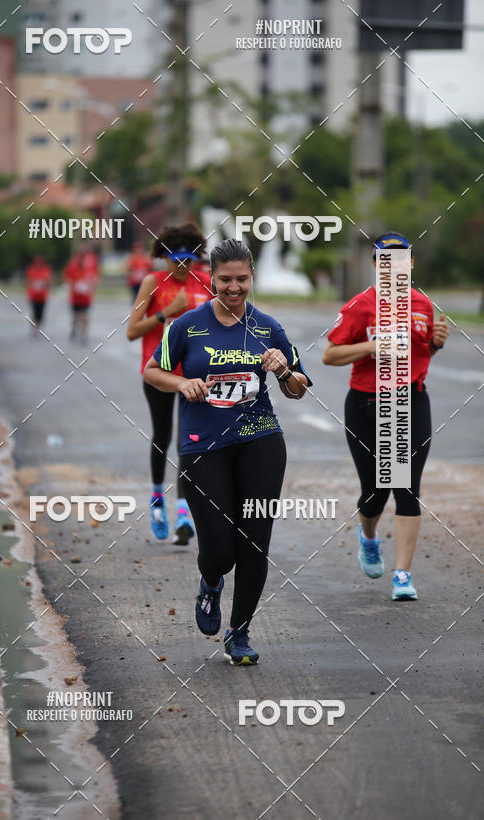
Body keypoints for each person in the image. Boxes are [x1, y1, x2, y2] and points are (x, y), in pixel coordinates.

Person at [143, 238, 311, 665]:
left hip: (261, 440)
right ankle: (211, 581)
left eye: (241, 280)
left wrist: (285, 370)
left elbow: (298, 390)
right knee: (219, 550)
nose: (233, 288)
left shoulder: (269, 327)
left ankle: (239, 634)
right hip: (204, 447)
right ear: (211, 278)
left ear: (251, 277)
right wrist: (182, 383)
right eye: (225, 280)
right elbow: (152, 371)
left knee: (254, 542)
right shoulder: (187, 325)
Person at [322, 231, 450, 601]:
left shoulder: (423, 305)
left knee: (407, 488)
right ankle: (369, 536)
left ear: (411, 263)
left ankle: (403, 575)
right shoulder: (361, 305)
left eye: (402, 259)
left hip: (411, 401)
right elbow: (330, 355)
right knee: (375, 492)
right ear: (376, 265)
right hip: (365, 404)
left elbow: (422, 354)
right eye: (385, 260)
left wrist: (437, 342)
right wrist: (372, 346)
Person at [127, 223, 211, 545]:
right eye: (175, 260)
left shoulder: (205, 284)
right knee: (162, 434)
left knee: (188, 441)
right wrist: (166, 314)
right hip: (159, 372)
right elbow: (132, 331)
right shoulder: (153, 283)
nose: (181, 267)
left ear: (196, 259)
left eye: (188, 261)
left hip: (193, 375)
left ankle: (183, 511)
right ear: (164, 257)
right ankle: (157, 499)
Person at [63, 246, 99, 343]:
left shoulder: (89, 272)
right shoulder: (74, 270)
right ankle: (74, 328)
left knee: (84, 317)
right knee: (76, 317)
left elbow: (94, 281)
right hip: (75, 298)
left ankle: (84, 335)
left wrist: (93, 288)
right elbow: (67, 279)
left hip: (85, 298)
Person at [26, 255, 52, 333]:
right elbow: (29, 281)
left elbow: (48, 281)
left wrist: (44, 284)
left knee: (41, 313)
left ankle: (38, 327)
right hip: (34, 295)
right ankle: (33, 326)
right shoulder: (31, 269)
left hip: (42, 296)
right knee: (34, 312)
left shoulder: (46, 270)